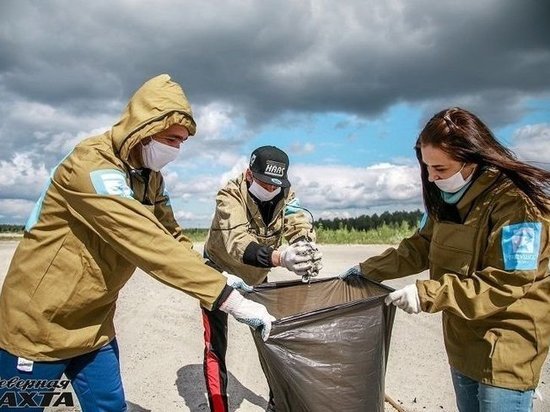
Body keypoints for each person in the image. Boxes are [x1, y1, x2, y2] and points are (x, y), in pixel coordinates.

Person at [0, 74, 275, 411]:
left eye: (181, 143)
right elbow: (143, 239)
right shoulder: (90, 166)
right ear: (143, 128)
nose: (175, 150)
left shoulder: (150, 177)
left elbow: (170, 235)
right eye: (171, 139)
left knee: (109, 406)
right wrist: (226, 296)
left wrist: (213, 272)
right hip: (37, 327)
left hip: (94, 326)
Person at [340, 107, 550, 412]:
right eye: (426, 167)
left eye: (440, 168)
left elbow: (508, 281)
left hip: (506, 346)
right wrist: (366, 270)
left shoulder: (519, 207)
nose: (431, 177)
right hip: (463, 341)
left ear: (472, 160)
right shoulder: (448, 199)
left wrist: (426, 293)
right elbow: (421, 246)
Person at [201, 145, 322, 412]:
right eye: (264, 183)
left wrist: (303, 247)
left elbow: (298, 222)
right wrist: (280, 258)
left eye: (276, 185)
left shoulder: (287, 195)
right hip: (219, 272)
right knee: (215, 344)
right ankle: (219, 408)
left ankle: (277, 403)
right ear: (249, 175)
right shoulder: (229, 195)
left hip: (257, 275)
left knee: (272, 336)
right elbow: (237, 242)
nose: (270, 190)